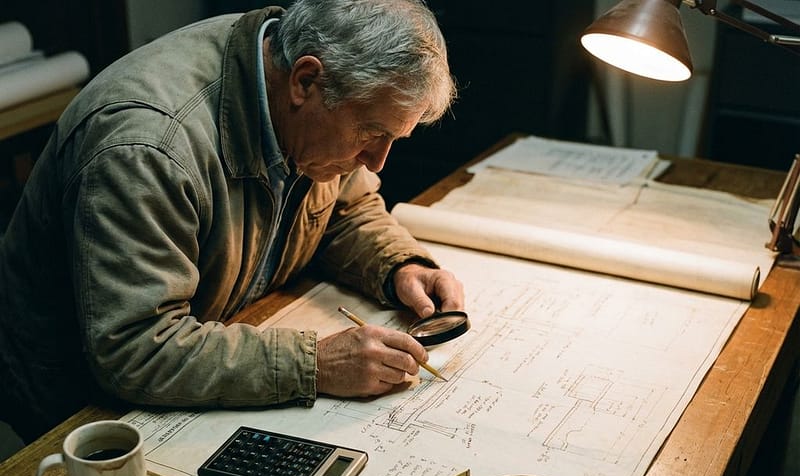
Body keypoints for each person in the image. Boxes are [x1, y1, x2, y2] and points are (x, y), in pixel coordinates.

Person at [0, 0, 464, 444]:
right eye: (372, 133)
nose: (378, 162)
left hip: (218, 337)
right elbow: (137, 348)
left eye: (394, 138)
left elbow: (345, 210)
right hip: (77, 413)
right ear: (306, 81)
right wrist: (314, 365)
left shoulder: (299, 90)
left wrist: (399, 266)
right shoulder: (147, 150)